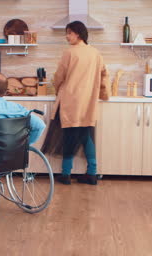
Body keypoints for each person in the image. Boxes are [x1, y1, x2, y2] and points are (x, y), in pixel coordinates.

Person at [42, 21, 110, 185]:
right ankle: (92, 173)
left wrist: (58, 89)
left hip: (71, 101)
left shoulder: (69, 53)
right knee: (86, 136)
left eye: (69, 33)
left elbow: (59, 77)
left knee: (69, 136)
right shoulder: (96, 54)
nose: (67, 36)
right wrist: (105, 95)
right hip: (88, 102)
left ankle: (66, 174)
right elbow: (105, 76)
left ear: (78, 33)